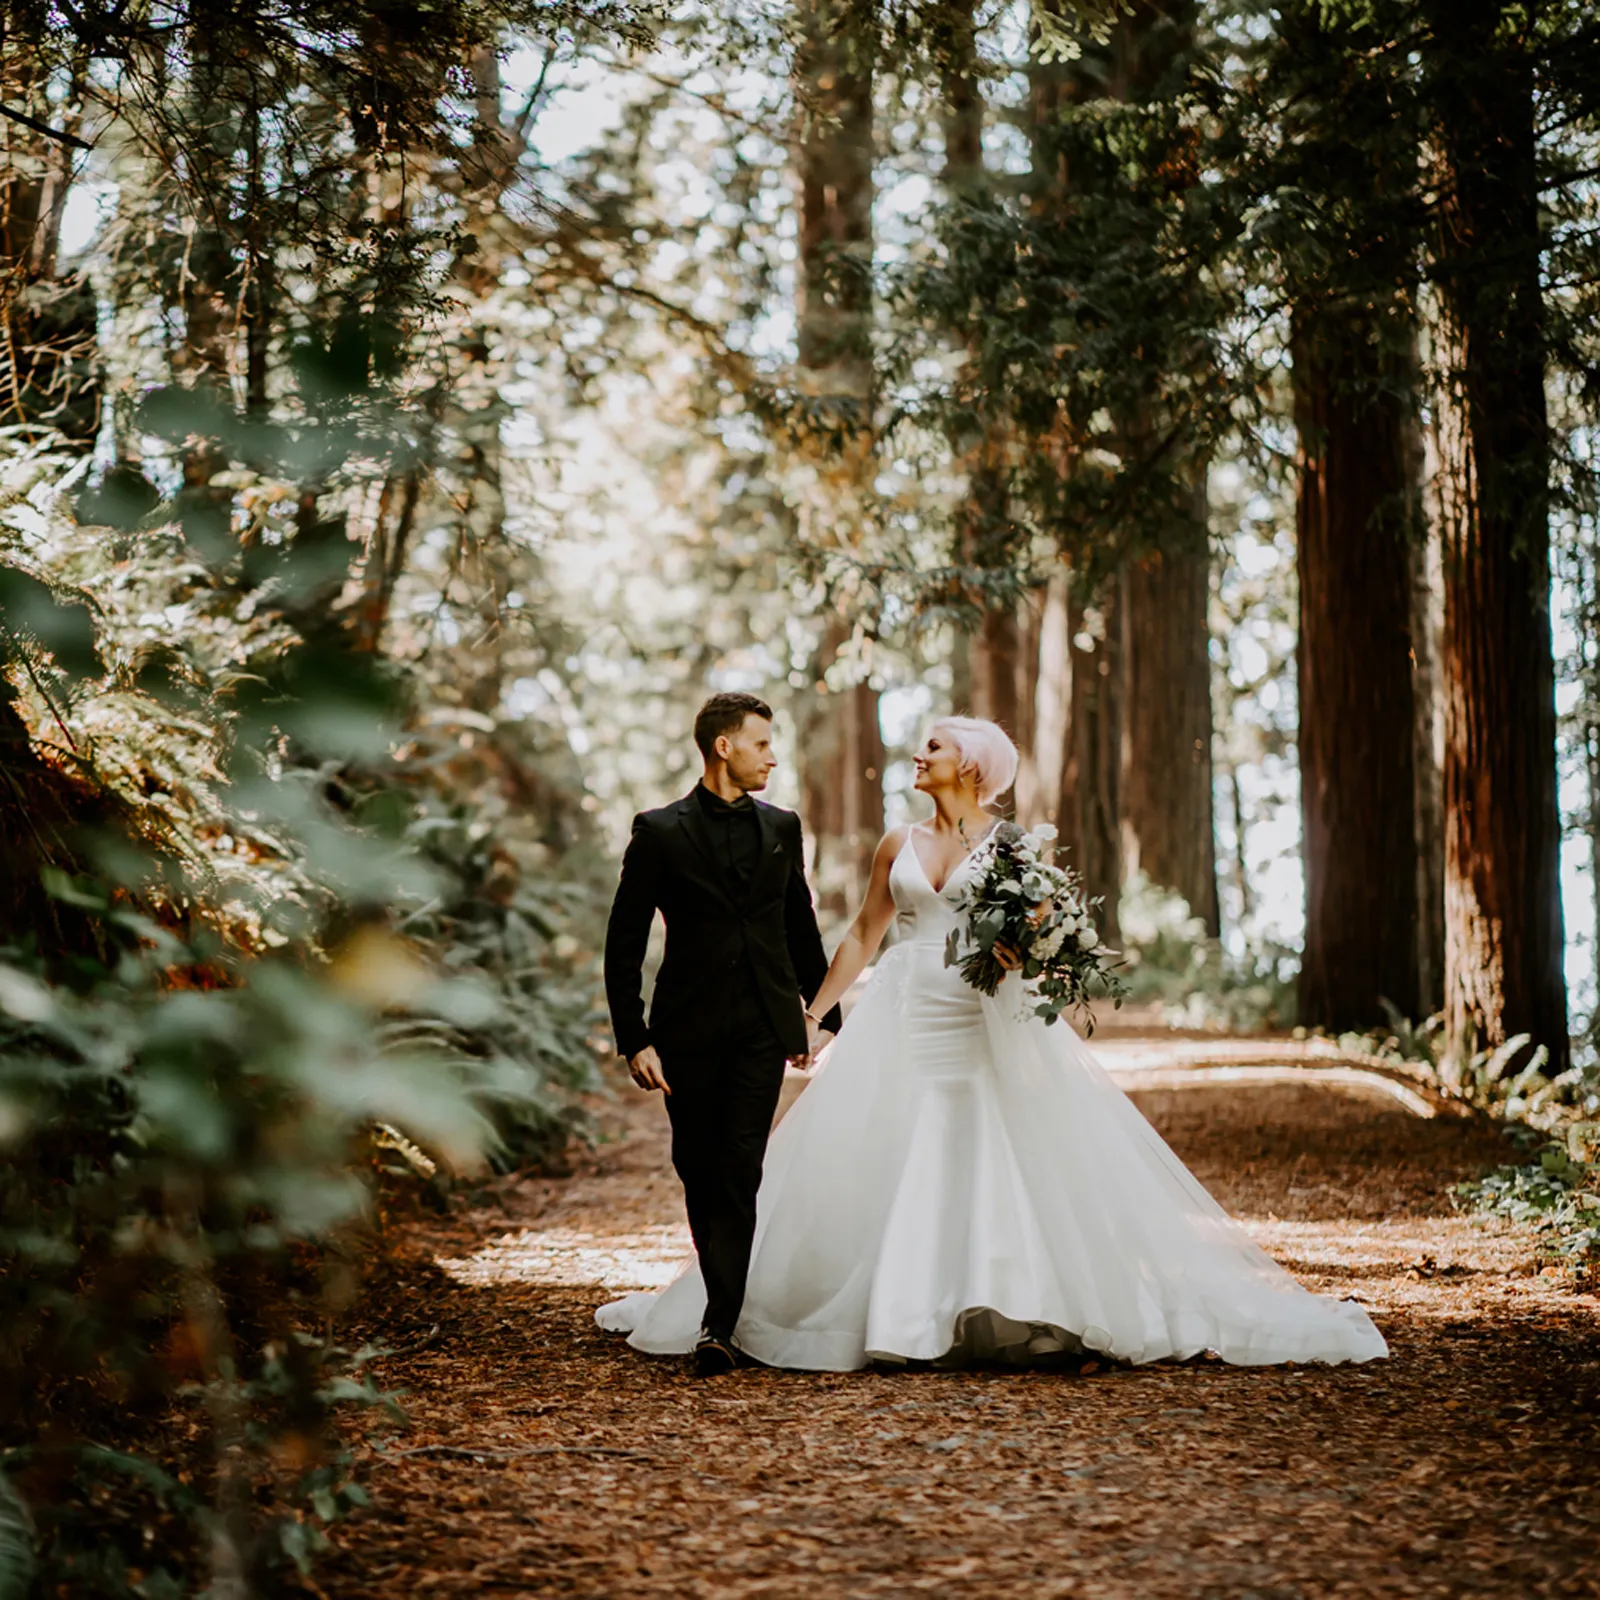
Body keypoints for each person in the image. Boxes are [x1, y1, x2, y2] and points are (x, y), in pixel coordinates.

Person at [598, 714, 1388, 1372]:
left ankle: (1008, 1304)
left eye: (934, 746)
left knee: (987, 1147)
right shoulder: (893, 844)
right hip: (903, 1010)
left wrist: (1029, 954)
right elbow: (863, 934)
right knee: (886, 1149)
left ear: (970, 766)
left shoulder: (1013, 849)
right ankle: (890, 1312)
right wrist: (816, 1014)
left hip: (977, 1013)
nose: (919, 754)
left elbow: (1045, 937)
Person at [602, 691, 841, 1376]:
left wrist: (822, 1013)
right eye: (762, 742)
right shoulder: (659, 831)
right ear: (723, 747)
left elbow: (799, 926)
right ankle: (719, 1298)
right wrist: (634, 1037)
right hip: (686, 1030)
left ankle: (721, 1326)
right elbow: (624, 943)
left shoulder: (782, 827)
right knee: (698, 1168)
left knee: (740, 1166)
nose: (773, 756)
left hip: (762, 1027)